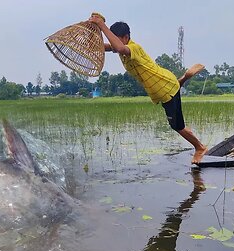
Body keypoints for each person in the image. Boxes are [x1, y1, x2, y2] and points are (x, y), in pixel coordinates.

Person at [88, 14, 207, 164]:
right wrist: (92, 33)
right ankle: (182, 80)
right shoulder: (120, 47)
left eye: (117, 39)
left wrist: (102, 25)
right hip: (164, 84)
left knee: (177, 126)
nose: (114, 44)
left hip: (165, 90)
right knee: (177, 117)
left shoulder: (133, 48)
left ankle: (200, 148)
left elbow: (118, 47)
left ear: (126, 37)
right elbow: (103, 47)